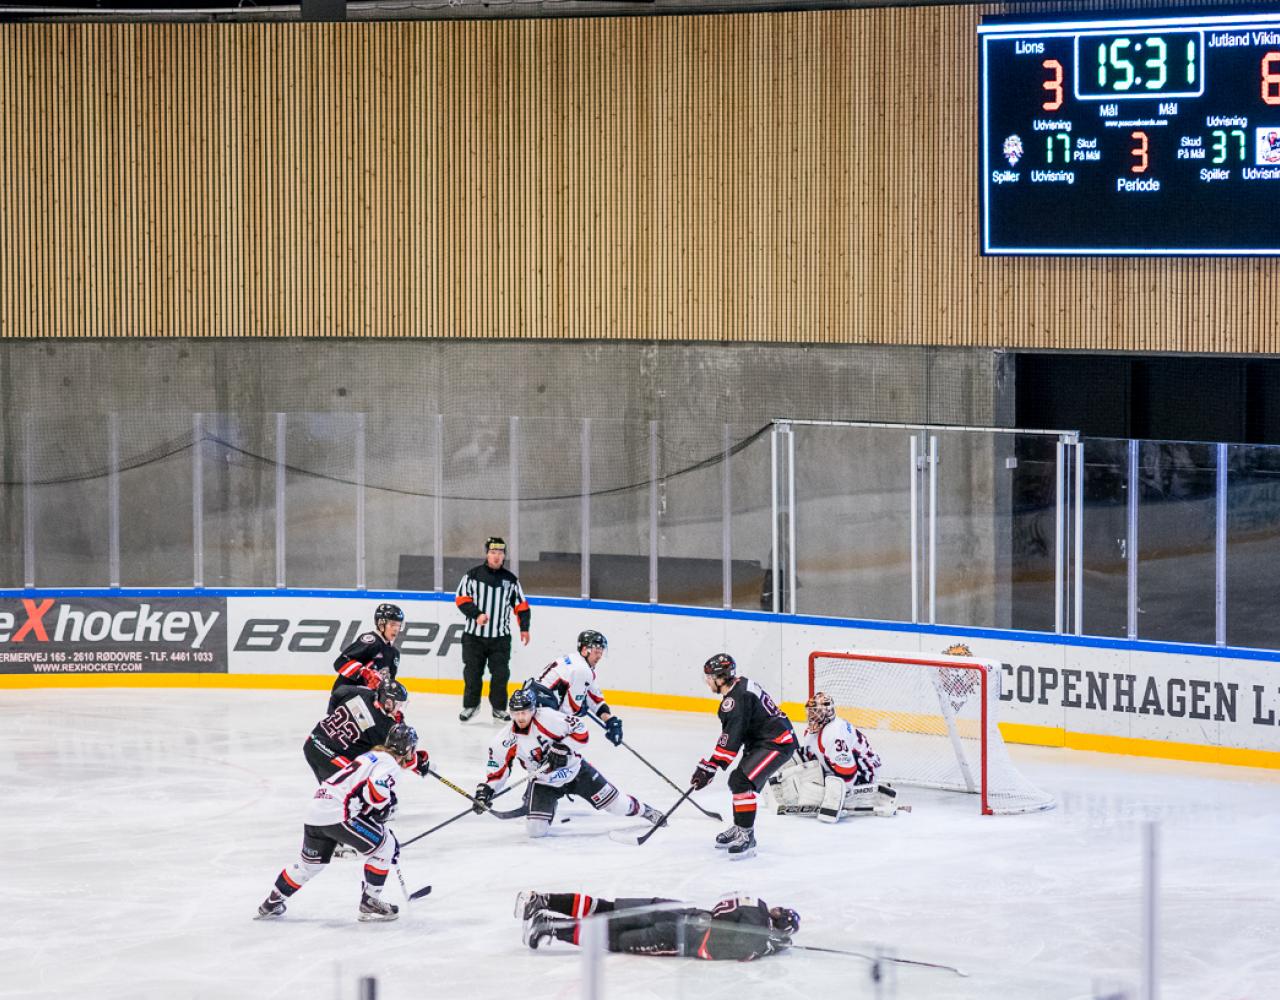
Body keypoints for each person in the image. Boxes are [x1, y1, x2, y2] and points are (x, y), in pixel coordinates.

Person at [256, 723, 431, 923]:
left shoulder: (369, 756)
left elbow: (361, 790)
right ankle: (370, 901)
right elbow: (376, 786)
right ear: (406, 748)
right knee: (386, 846)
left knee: (309, 865)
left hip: (316, 810)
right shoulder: (389, 763)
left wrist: (376, 810)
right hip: (338, 814)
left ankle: (271, 902)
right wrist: (385, 805)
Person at [473, 687, 661, 837]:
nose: (521, 718)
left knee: (617, 806)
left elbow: (581, 730)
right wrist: (486, 792)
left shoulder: (548, 717)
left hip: (576, 772)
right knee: (535, 831)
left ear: (533, 710)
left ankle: (645, 811)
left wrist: (563, 747)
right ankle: (550, 804)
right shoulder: (503, 740)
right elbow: (497, 772)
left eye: (525, 712)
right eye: (516, 713)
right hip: (544, 781)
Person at [689, 653, 796, 859]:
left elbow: (732, 739)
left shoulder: (735, 700)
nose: (708, 681)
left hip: (777, 743)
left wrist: (710, 766)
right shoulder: (739, 686)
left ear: (721, 678)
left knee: (741, 781)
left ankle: (747, 835)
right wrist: (711, 766)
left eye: (710, 677)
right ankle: (740, 827)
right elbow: (734, 735)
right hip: (763, 740)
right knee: (738, 781)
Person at [514, 889, 800, 960]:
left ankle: (543, 900)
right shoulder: (761, 941)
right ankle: (548, 927)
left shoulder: (755, 903)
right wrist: (772, 944)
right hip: (680, 939)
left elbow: (722, 908)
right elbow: (741, 952)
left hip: (677, 910)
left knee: (609, 908)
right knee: (611, 938)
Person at [769, 691, 899, 821]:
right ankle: (786, 788)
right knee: (793, 761)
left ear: (827, 713)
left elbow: (848, 774)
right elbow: (809, 755)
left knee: (811, 790)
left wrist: (832, 795)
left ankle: (826, 796)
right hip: (840, 765)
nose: (811, 716)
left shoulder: (834, 733)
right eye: (810, 712)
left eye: (816, 712)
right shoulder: (812, 730)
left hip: (864, 772)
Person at [455, 537, 531, 723]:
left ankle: (498, 708)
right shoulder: (472, 575)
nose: (496, 556)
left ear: (504, 555)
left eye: (500, 553)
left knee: (500, 674)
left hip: (500, 638)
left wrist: (524, 628)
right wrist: (477, 614)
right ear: (487, 554)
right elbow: (461, 599)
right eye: (493, 552)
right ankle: (471, 706)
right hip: (474, 637)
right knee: (472, 673)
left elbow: (521, 605)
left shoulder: (510, 580)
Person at [523, 629, 624, 745]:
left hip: (532, 705)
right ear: (585, 650)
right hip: (539, 714)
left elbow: (595, 698)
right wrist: (579, 710)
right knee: (578, 735)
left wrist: (610, 720)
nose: (600, 655)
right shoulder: (582, 670)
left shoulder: (575, 660)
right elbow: (568, 712)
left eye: (601, 651)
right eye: (597, 651)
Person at [304, 677, 411, 783]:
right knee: (354, 789)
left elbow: (339, 692)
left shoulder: (363, 692)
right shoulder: (383, 726)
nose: (400, 709)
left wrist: (332, 713)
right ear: (387, 702)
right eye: (398, 705)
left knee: (331, 792)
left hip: (312, 741)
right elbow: (394, 751)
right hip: (331, 757)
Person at [328, 603, 405, 713]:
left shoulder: (394, 654)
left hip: (366, 703)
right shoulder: (371, 641)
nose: (396, 629)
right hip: (346, 699)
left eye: (399, 625)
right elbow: (341, 662)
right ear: (381, 624)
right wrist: (364, 672)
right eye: (392, 624)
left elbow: (387, 686)